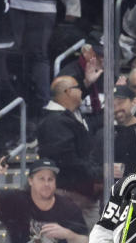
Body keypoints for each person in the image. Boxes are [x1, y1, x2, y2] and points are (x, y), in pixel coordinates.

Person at [37, 75, 99, 222]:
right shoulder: (55, 122)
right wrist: (97, 174)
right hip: (70, 195)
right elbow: (67, 159)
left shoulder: (69, 116)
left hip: (79, 194)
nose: (81, 92)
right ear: (67, 92)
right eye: (78, 88)